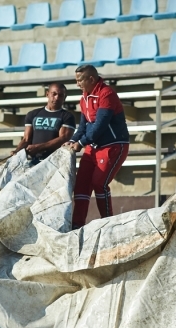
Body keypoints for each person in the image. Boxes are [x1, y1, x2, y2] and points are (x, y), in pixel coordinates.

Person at [65, 65, 130, 229]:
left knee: (99, 182)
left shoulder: (106, 94)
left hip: (112, 146)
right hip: (93, 147)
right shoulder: (84, 98)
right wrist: (73, 140)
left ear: (91, 79)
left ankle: (108, 224)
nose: (77, 84)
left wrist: (80, 143)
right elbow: (83, 126)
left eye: (80, 80)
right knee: (81, 186)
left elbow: (100, 126)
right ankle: (77, 227)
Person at [12, 83, 76, 166]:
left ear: (65, 97)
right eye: (54, 94)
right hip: (35, 161)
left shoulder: (67, 116)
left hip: (56, 162)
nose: (57, 98)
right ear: (47, 94)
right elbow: (26, 139)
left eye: (61, 95)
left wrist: (38, 148)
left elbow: (63, 139)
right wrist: (17, 151)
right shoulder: (33, 114)